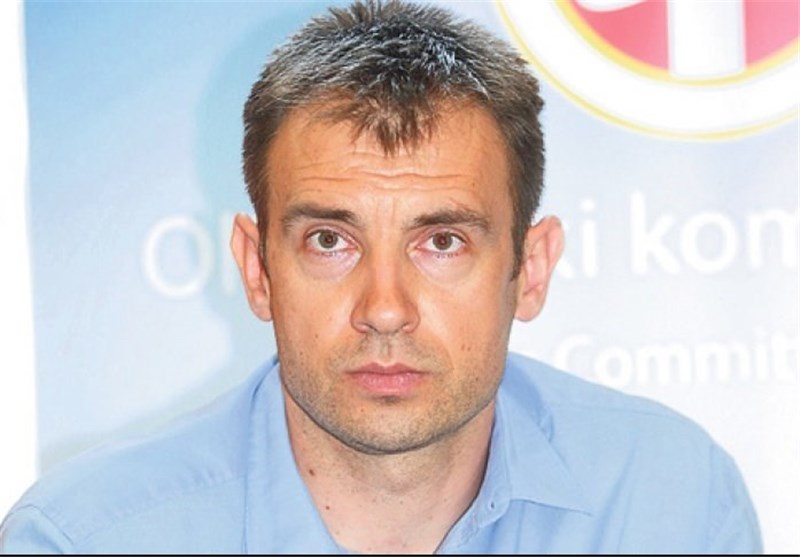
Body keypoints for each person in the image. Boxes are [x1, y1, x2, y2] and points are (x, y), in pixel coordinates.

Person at [1, 0, 762, 553]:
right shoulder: (83, 538)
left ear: (529, 270)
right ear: (257, 269)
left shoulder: (673, 503)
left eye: (442, 241)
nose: (386, 308)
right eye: (330, 240)